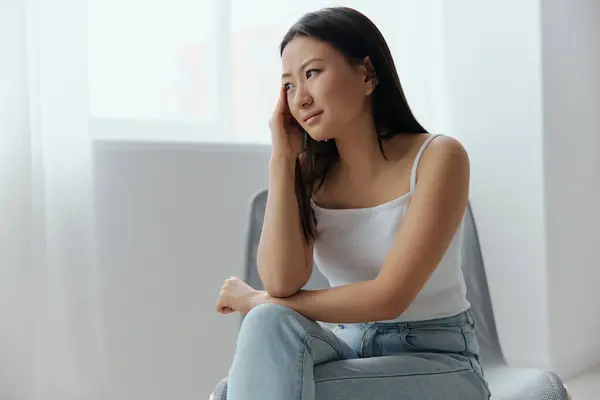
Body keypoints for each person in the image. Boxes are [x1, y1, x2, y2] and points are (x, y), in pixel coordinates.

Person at [214, 6, 490, 400]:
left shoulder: (438, 157)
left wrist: (256, 298)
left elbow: (389, 297)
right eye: (288, 85)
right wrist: (282, 159)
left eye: (312, 73)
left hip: (439, 359)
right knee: (266, 323)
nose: (301, 98)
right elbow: (280, 281)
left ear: (367, 74)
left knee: (244, 390)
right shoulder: (311, 174)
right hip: (345, 346)